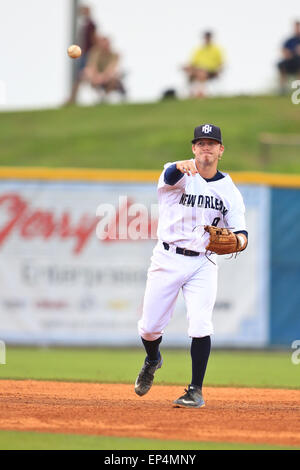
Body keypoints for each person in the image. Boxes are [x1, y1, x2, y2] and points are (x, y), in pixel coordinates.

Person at [134, 124, 248, 408]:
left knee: (201, 323)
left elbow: (242, 234)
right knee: (149, 328)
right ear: (193, 148)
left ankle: (195, 390)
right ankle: (153, 359)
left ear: (221, 150)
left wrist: (237, 242)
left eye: (212, 143)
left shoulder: (229, 190)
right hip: (167, 257)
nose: (206, 148)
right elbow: (169, 176)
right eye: (201, 143)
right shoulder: (179, 173)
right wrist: (178, 166)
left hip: (202, 263)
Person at [66, 5, 97, 105]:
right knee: (79, 77)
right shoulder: (84, 24)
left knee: (83, 76)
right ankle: (72, 99)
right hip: (83, 54)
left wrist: (93, 53)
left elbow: (93, 38)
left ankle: (72, 99)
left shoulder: (91, 24)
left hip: (88, 54)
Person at [82, 35, 126, 99]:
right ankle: (72, 100)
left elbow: (111, 68)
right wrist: (95, 76)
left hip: (108, 77)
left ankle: (105, 96)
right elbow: (92, 66)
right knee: (85, 73)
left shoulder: (114, 55)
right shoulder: (95, 53)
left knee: (113, 75)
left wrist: (102, 77)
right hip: (96, 77)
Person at [182, 32, 224, 98]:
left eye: (208, 38)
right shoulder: (199, 49)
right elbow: (192, 63)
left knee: (202, 72)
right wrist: (187, 67)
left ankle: (200, 93)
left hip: (211, 71)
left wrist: (218, 71)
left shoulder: (217, 49)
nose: (207, 39)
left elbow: (221, 63)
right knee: (192, 71)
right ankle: (191, 93)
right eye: (205, 38)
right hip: (198, 70)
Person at [277, 21, 300, 94]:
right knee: (281, 64)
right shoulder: (289, 40)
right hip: (290, 61)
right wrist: (288, 53)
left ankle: (298, 89)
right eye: (296, 27)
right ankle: (282, 89)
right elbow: (283, 50)